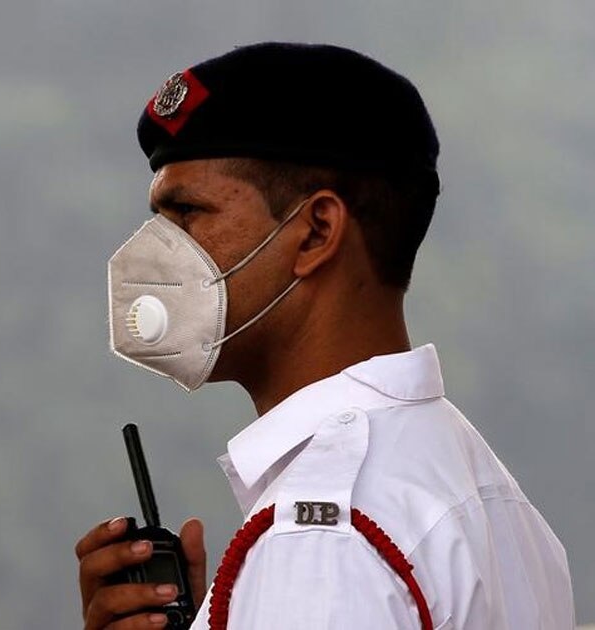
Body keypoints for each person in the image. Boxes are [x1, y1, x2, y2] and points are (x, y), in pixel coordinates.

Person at [75, 42, 575, 629]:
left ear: (315, 232)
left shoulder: (319, 541)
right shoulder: (489, 497)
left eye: (186, 213)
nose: (154, 251)